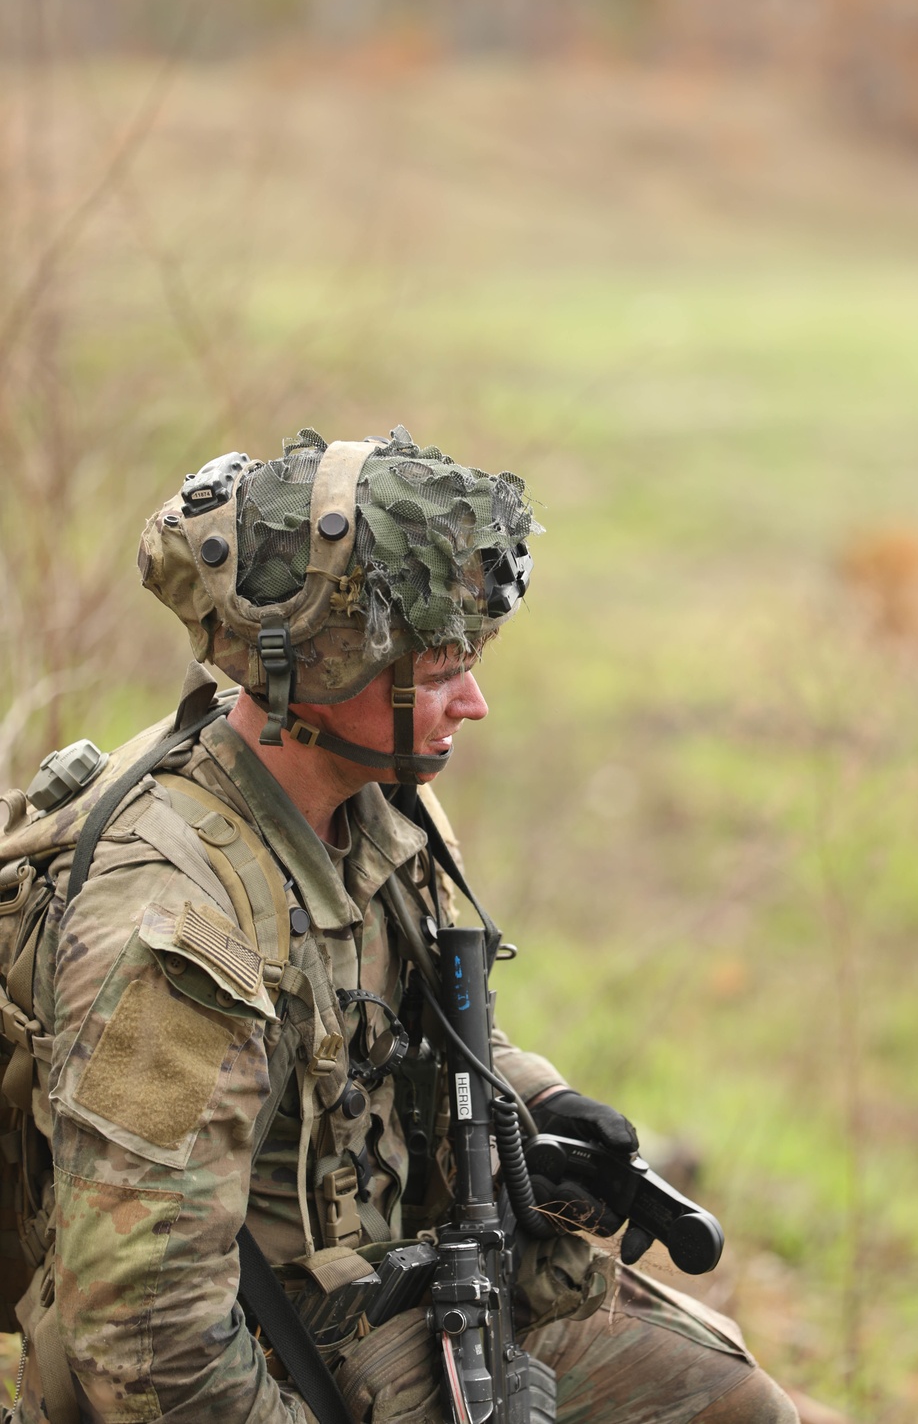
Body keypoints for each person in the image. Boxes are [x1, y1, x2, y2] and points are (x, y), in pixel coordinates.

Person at [1, 428, 797, 1422]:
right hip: (259, 1358)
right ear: (329, 662)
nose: (476, 702)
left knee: (734, 1406)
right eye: (443, 664)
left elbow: (395, 1025)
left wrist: (538, 1108)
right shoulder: (176, 924)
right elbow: (147, 1340)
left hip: (402, 1285)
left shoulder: (375, 800)